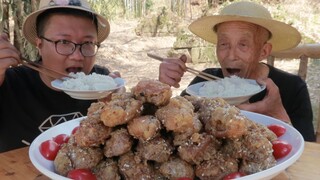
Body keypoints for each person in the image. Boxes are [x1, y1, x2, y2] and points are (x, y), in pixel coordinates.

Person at [158, 1, 316, 142]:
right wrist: (162, 88)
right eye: (224, 44)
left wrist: (278, 114)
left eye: (243, 45)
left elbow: (308, 154)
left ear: (263, 51)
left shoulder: (293, 88)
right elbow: (167, 130)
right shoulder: (203, 84)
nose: (231, 56)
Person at [0, 0, 120, 152]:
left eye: (88, 43)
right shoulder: (9, 83)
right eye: (64, 41)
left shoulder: (103, 83)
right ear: (40, 45)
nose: (77, 56)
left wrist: (121, 108)